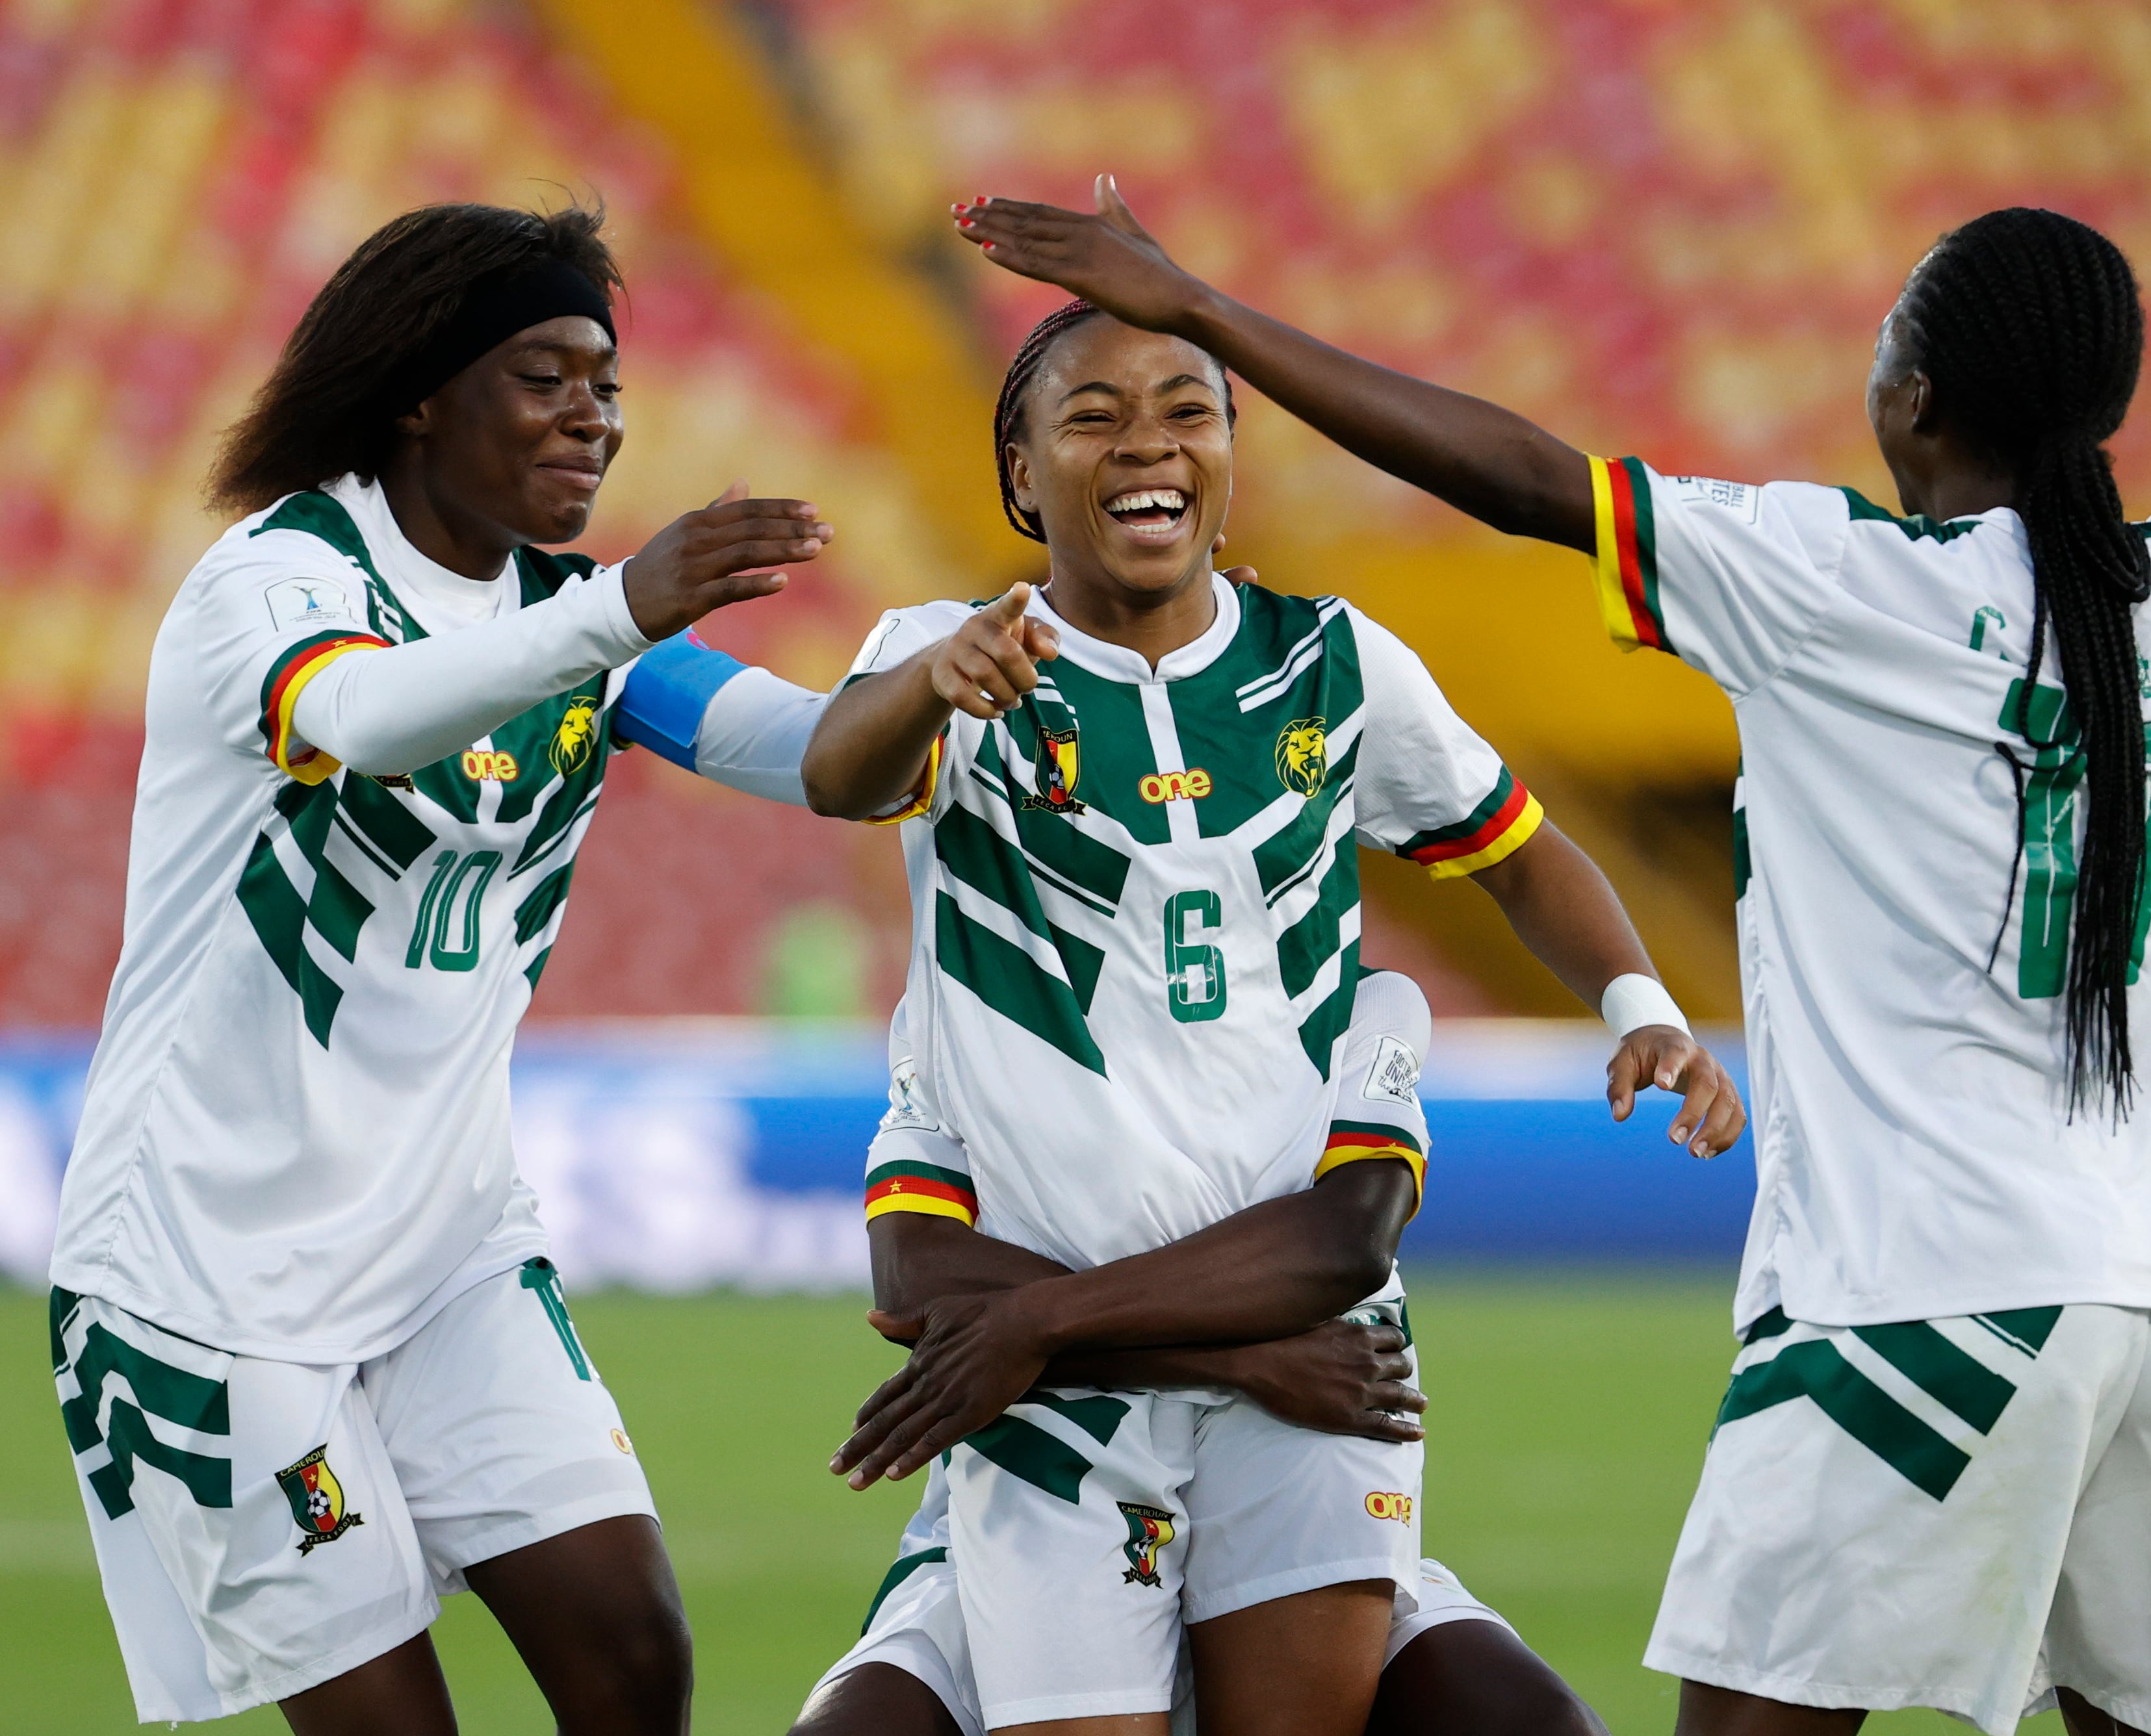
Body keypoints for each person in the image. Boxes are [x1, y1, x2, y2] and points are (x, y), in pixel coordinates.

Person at [949, 182, 2151, 1736]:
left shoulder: (1838, 581)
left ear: (1914, 401)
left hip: (1918, 1293)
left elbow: (1521, 476)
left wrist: (1201, 306)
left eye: (1884, 342)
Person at [791, 297, 1743, 1736]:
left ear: (1232, 457)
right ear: (1021, 474)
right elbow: (838, 775)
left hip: (1307, 1361)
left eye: (1188, 410)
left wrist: (1638, 1003)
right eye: (1093, 416)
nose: (1147, 442)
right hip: (1060, 1402)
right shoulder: (953, 653)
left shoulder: (1335, 664)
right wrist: (931, 684)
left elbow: (1516, 846)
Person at [47, 199, 839, 1734]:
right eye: (546, 376)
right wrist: (620, 610)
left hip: (446, 1250)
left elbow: (817, 754)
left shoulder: (569, 619)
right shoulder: (279, 576)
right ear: (422, 389)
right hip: (211, 1280)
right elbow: (359, 718)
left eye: (607, 383)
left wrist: (966, 672)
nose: (593, 416)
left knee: (634, 1655)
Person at [792, 978, 1608, 1736]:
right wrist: (1247, 1363)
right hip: (1038, 1493)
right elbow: (918, 1281)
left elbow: (1345, 1243)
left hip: (1296, 1470)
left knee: (1540, 1722)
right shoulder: (967, 995)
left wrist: (1030, 1325)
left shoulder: (1357, 999)